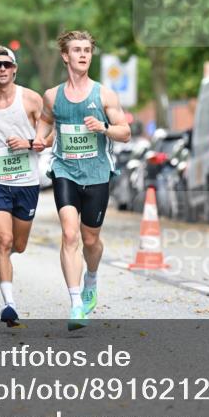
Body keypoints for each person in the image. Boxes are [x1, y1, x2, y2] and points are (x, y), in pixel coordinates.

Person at [35, 30, 131, 330]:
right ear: (65, 56)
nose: (83, 55)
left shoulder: (103, 95)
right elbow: (46, 126)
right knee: (69, 235)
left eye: (87, 50)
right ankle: (76, 303)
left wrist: (103, 127)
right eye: (77, 50)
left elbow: (125, 132)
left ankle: (91, 278)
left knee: (91, 240)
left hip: (97, 173)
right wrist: (38, 140)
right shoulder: (52, 96)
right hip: (65, 171)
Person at [0, 46, 45, 328]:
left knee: (19, 244)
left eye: (7, 64)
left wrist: (29, 143)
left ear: (15, 69)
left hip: (27, 182)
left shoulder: (31, 99)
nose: (2, 69)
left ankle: (5, 251)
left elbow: (50, 135)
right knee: (3, 241)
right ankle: (9, 304)